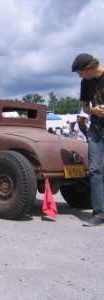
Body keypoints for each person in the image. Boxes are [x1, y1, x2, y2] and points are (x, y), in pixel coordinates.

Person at [72, 53, 104, 226]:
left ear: (89, 68)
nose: (79, 76)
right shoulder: (86, 83)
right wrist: (94, 111)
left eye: (80, 72)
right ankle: (99, 213)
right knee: (95, 170)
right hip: (97, 130)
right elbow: (85, 107)